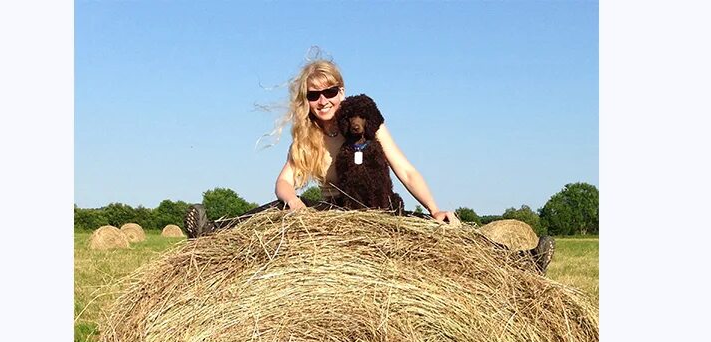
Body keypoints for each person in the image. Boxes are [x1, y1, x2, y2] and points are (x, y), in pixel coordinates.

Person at [185, 57, 555, 274]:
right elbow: (283, 183)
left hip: (378, 207)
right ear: (308, 100)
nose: (323, 100)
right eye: (315, 95)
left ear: (341, 92)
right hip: (335, 210)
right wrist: (296, 205)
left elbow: (404, 170)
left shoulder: (366, 122)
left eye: (330, 92)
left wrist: (433, 207)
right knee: (272, 210)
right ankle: (212, 232)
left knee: (442, 234)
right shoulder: (307, 137)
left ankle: (519, 263)